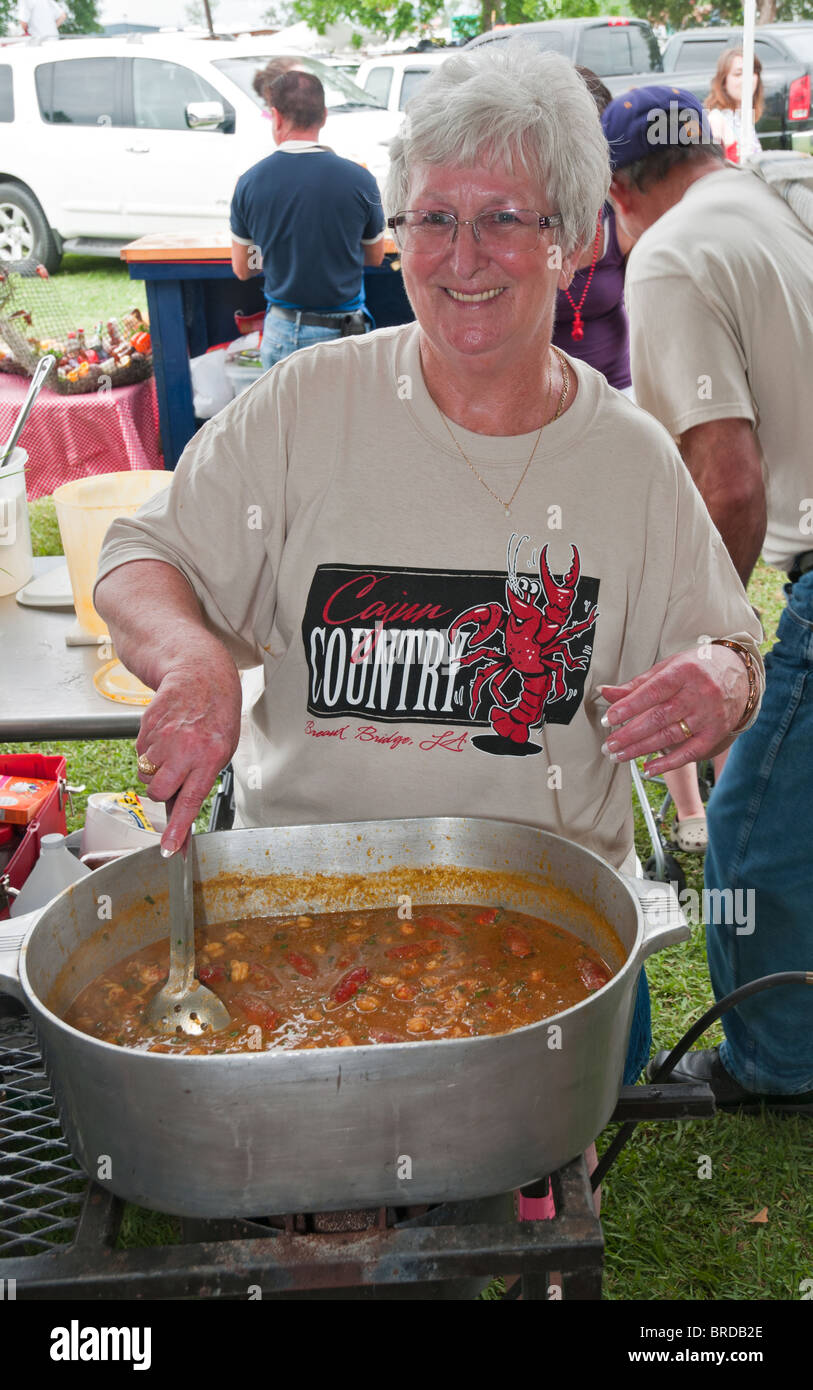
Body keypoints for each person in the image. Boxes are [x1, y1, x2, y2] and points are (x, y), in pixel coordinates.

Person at [94, 45, 762, 1094]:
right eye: (433, 218)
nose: (463, 256)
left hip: (549, 934)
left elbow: (726, 642)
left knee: (517, 1211)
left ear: (575, 240)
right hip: (301, 915)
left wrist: (725, 680)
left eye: (505, 218)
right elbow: (141, 556)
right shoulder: (306, 405)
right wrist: (193, 659)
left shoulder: (631, 456)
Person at [602, 84, 813, 1109]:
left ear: (614, 189)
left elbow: (727, 481)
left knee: (747, 831)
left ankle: (772, 1066)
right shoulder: (762, 201)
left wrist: (706, 648)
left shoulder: (667, 254)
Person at [555, 70, 718, 855]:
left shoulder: (637, 221)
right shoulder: (543, 216)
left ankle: (689, 809)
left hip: (627, 414)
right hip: (543, 432)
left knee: (658, 610)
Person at [230, 68, 386, 370]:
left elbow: (243, 269)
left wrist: (275, 251)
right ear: (324, 116)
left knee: (286, 419)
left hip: (282, 333)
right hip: (345, 335)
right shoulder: (360, 180)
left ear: (275, 117)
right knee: (347, 418)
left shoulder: (250, 182)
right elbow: (375, 256)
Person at [705, 48, 763, 164]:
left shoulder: (744, 117)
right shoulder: (717, 120)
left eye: (751, 72)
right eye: (738, 74)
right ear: (723, 81)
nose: (746, 79)